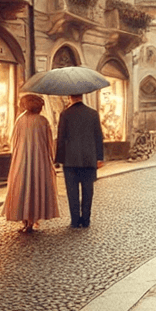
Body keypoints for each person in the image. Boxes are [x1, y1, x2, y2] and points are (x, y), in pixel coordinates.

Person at [1, 94, 61, 233]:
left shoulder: (20, 120)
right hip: (39, 160)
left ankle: (25, 219)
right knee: (36, 186)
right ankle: (33, 219)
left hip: (21, 158)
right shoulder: (42, 121)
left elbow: (14, 141)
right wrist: (51, 158)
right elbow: (49, 142)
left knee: (22, 186)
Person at [56, 93, 104, 228]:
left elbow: (61, 138)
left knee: (72, 192)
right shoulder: (93, 113)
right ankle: (86, 219)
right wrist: (99, 157)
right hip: (89, 159)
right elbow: (98, 137)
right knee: (88, 191)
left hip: (70, 160)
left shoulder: (65, 114)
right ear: (82, 96)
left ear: (70, 97)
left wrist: (59, 159)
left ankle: (75, 221)